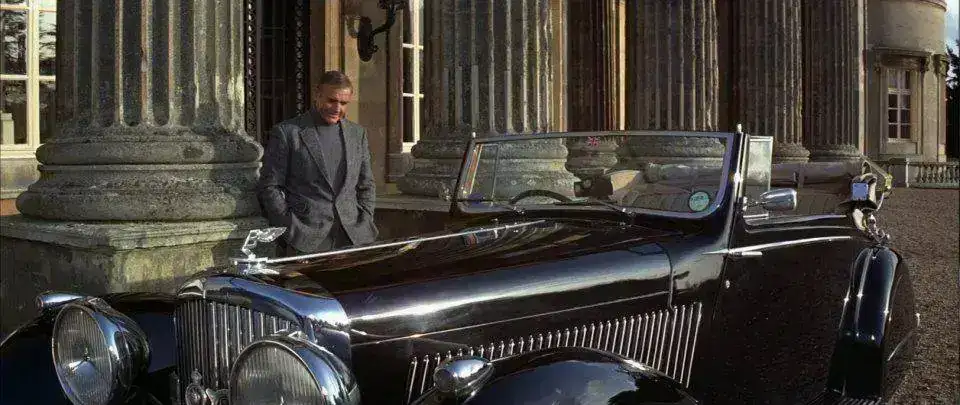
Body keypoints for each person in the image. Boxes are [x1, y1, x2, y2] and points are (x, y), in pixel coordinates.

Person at [257, 70, 378, 256]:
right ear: (317, 95)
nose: (337, 108)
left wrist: (366, 217)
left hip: (355, 236)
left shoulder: (357, 134)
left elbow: (366, 183)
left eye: (343, 103)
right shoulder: (287, 133)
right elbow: (269, 185)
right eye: (331, 100)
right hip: (305, 238)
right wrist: (289, 226)